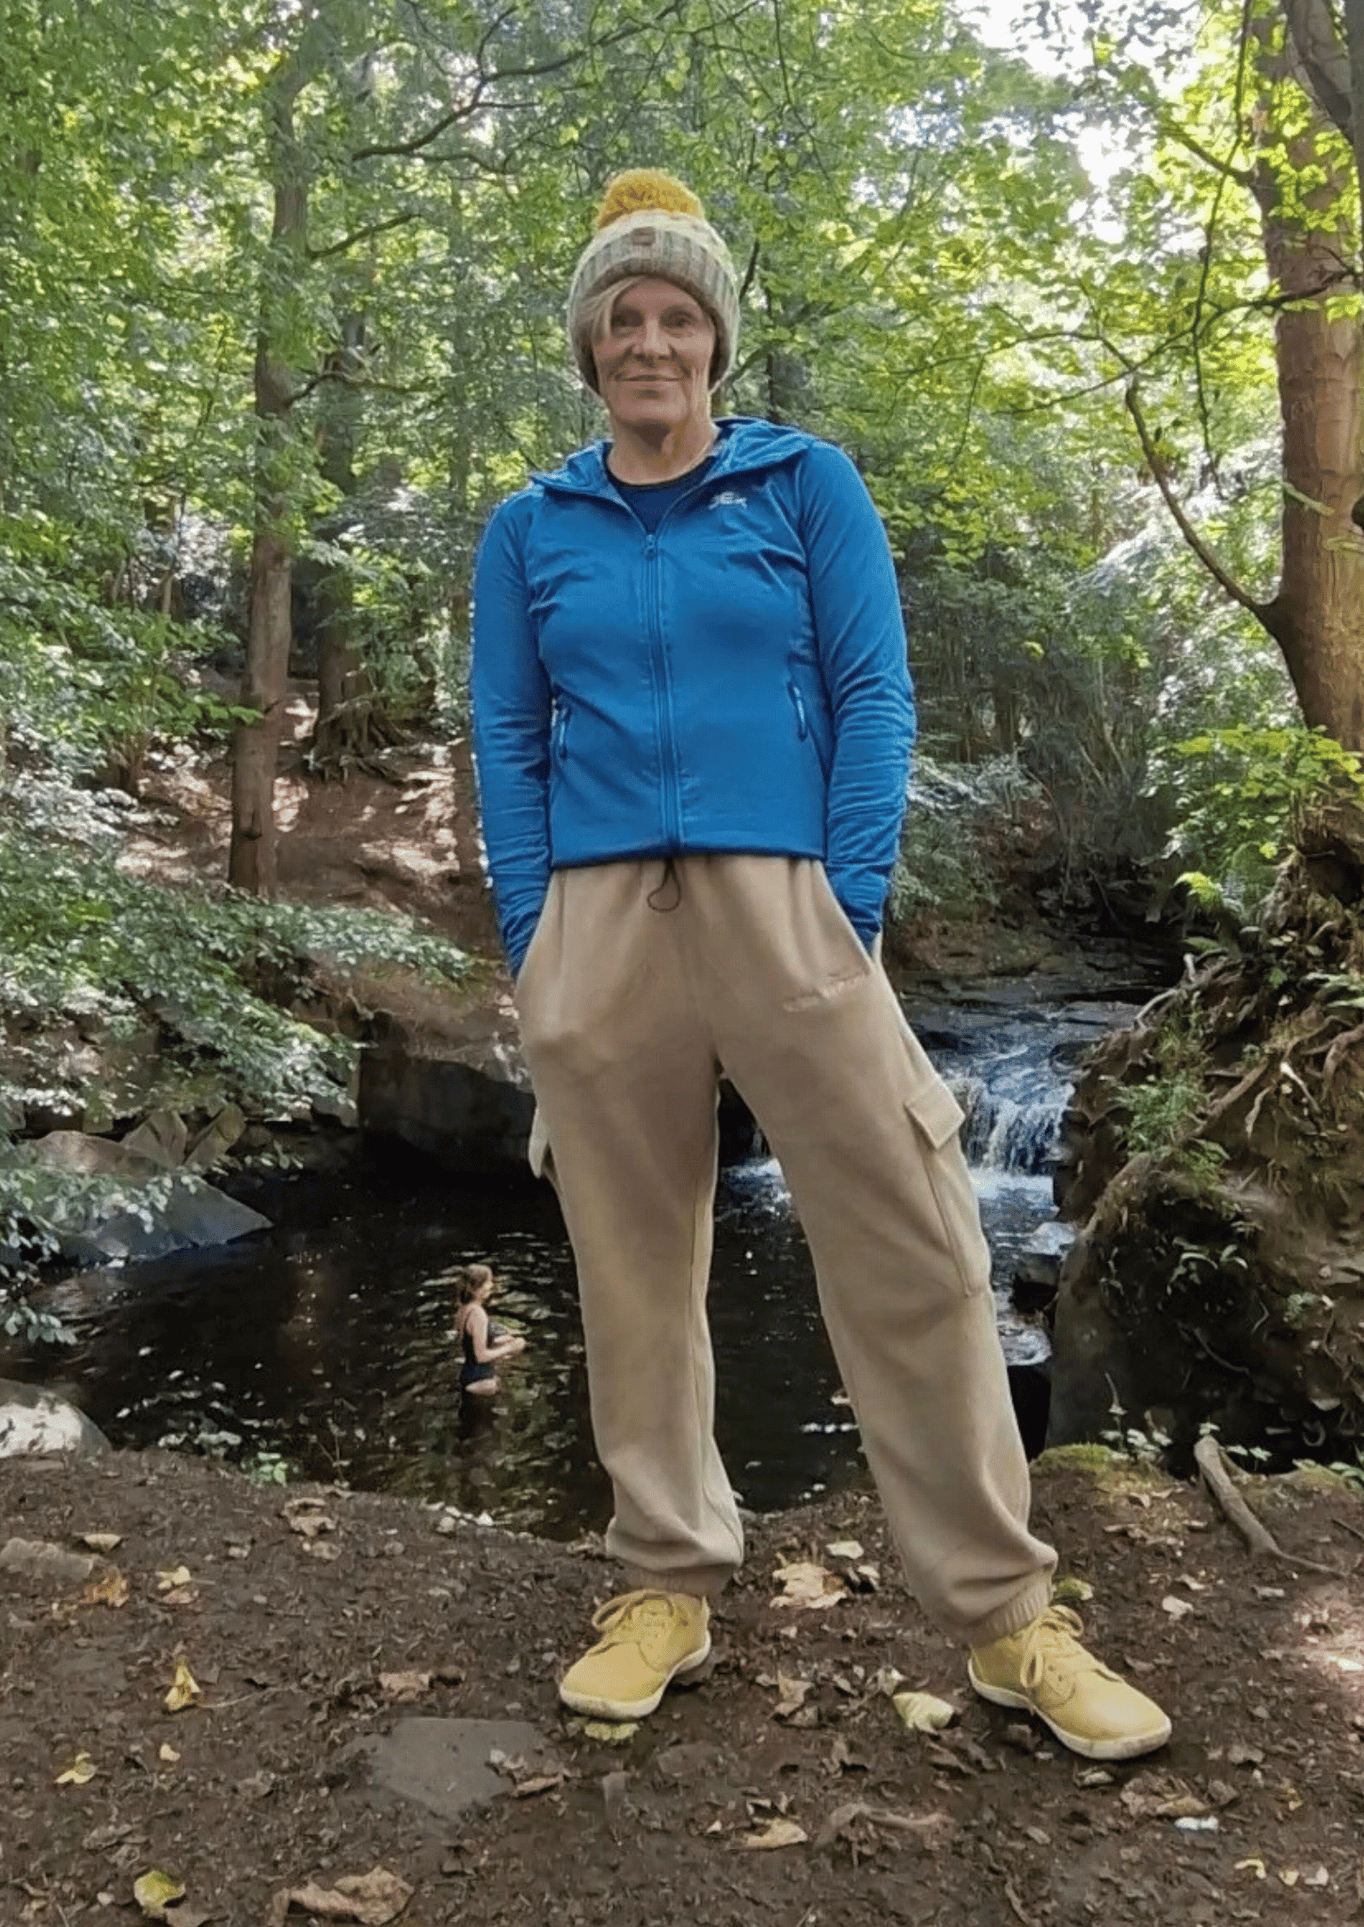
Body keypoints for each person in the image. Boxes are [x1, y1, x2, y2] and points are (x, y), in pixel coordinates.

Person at [469, 168, 1171, 1761]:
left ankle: (1007, 1615)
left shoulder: (801, 486)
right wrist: (533, 936)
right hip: (596, 920)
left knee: (916, 1236)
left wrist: (845, 901)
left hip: (783, 901)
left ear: (714, 339)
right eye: (622, 318)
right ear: (589, 347)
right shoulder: (530, 527)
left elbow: (874, 692)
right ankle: (664, 1581)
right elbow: (507, 732)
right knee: (631, 1265)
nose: (651, 342)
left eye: (677, 316)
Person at [454, 1264, 525, 1398]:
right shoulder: (478, 1314)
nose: (491, 1285)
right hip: (481, 1381)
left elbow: (470, 1343)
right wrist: (510, 1348)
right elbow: (481, 1356)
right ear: (477, 1287)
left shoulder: (463, 1309)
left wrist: (500, 1340)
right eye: (488, 1282)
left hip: (468, 1375)